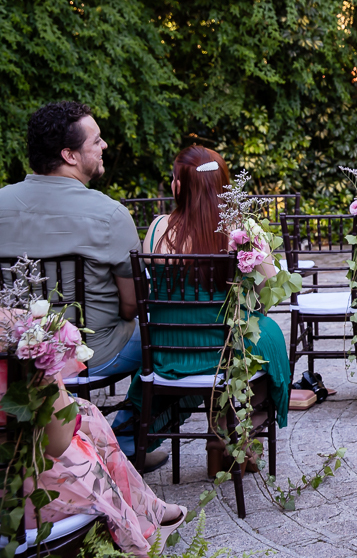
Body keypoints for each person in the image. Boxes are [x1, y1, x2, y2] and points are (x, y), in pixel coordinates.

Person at [111, 146, 291, 461]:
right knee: (267, 339)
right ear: (223, 184)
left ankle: (220, 436)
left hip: (169, 350)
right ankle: (233, 434)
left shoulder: (157, 228)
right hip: (222, 351)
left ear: (179, 186)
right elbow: (269, 289)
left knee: (259, 337)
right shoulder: (242, 230)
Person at [1, 337, 186, 555]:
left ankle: (145, 509)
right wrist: (50, 366)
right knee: (153, 350)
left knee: (85, 412)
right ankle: (139, 527)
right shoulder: (23, 341)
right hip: (18, 495)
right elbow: (58, 444)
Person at [0, 102, 141, 380]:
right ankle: (132, 421)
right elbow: (132, 305)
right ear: (69, 155)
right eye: (97, 140)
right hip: (92, 355)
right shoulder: (111, 215)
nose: (105, 146)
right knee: (168, 341)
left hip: (13, 357)